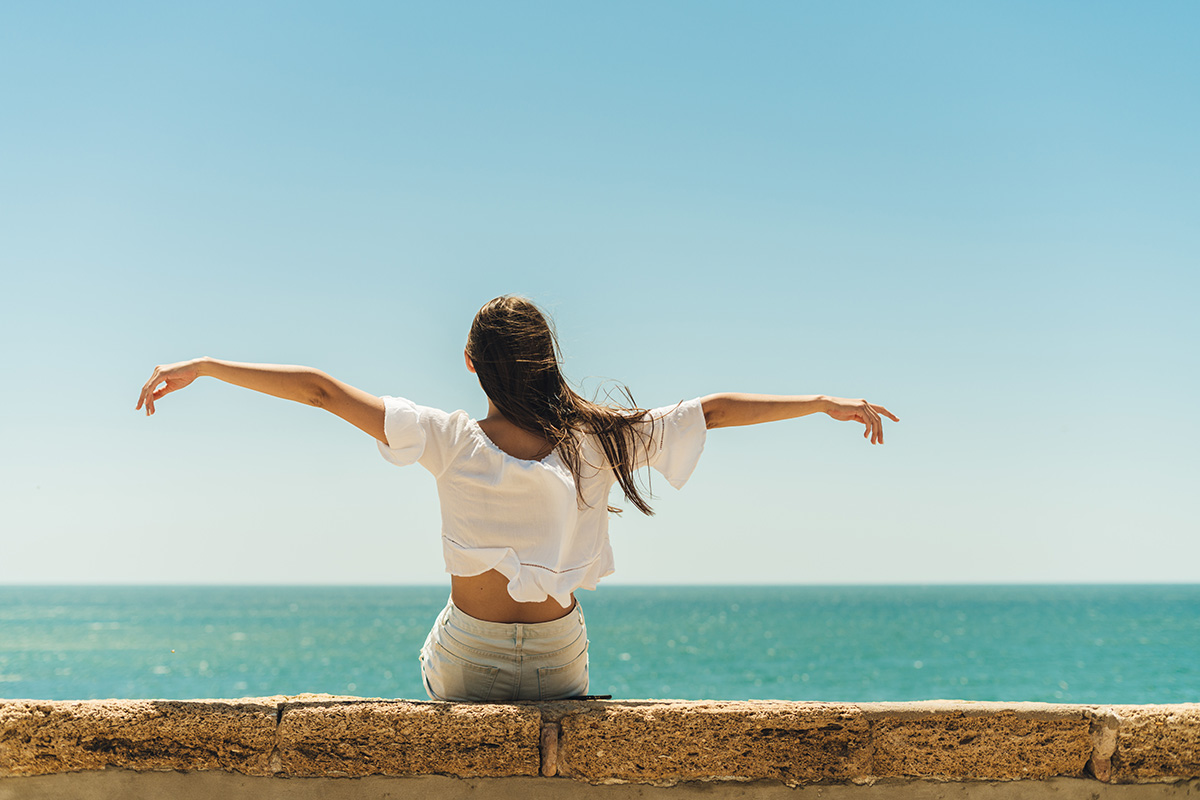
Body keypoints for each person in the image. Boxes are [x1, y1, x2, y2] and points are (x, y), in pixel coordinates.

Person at [136, 295, 897, 702]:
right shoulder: (604, 438)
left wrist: (205, 364)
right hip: (561, 663)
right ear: (549, 359)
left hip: (469, 661)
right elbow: (718, 409)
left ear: (471, 363)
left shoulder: (447, 437)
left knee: (434, 648)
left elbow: (320, 391)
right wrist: (825, 401)